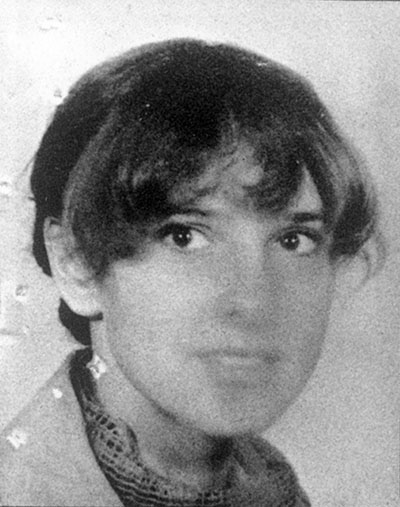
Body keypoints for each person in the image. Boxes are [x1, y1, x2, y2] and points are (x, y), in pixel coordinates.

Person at [0, 39, 380, 506]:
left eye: (293, 240)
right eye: (184, 236)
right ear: (76, 262)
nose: (253, 301)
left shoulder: (273, 487)